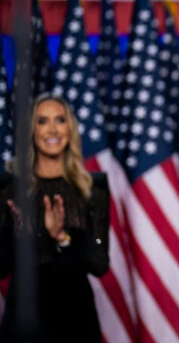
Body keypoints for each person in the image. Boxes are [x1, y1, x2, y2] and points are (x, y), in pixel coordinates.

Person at [0, 94, 110, 342]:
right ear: (31, 130)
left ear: (69, 130)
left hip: (76, 318)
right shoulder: (7, 187)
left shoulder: (94, 188)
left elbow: (99, 264)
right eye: (42, 121)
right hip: (23, 316)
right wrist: (16, 234)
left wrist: (62, 237)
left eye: (59, 120)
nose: (52, 129)